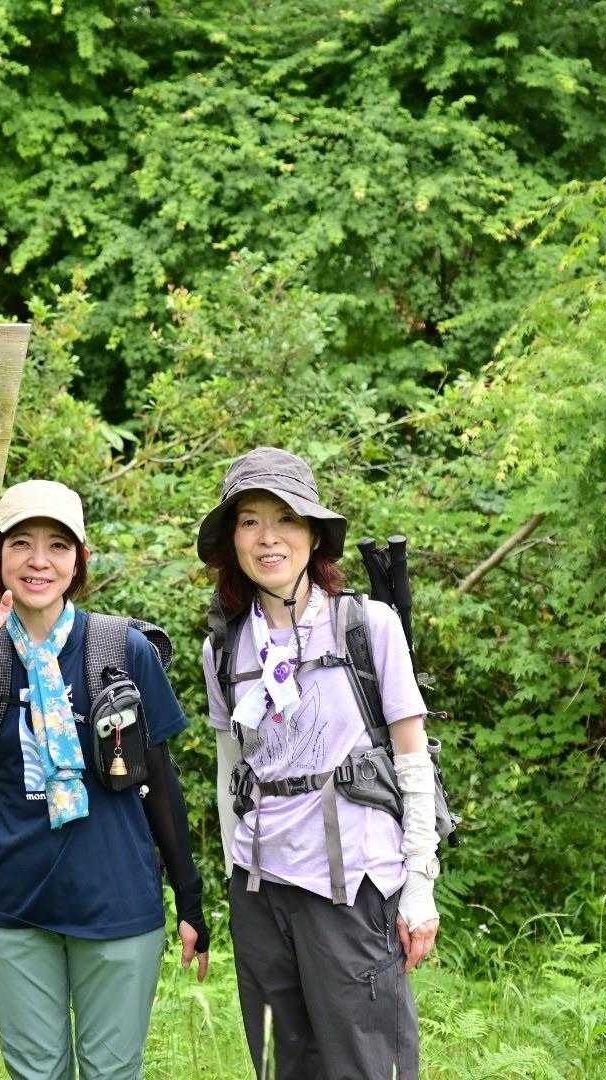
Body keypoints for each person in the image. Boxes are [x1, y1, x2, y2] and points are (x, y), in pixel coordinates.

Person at [0, 479, 208, 1080]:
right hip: (16, 905)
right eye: (21, 544)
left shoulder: (123, 648)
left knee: (111, 1072)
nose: (38, 561)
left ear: (79, 560)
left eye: (58, 546)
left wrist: (190, 897)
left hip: (118, 903)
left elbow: (160, 782)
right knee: (35, 1073)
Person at [197, 447, 440, 1080]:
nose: (268, 538)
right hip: (260, 888)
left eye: (286, 519)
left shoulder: (367, 625)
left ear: (313, 534)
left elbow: (412, 759)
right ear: (232, 541)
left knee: (368, 1065)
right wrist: (233, 872)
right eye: (250, 521)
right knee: (284, 1065)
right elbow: (229, 772)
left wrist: (419, 886)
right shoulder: (224, 647)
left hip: (352, 883)